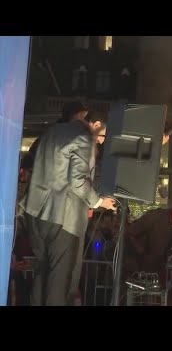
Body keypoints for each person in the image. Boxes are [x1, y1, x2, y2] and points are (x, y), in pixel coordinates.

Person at [21, 110, 116, 306]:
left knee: (42, 273)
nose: (101, 142)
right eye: (103, 135)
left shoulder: (54, 130)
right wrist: (99, 202)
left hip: (36, 212)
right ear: (96, 124)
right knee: (59, 279)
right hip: (62, 217)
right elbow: (78, 180)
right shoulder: (83, 137)